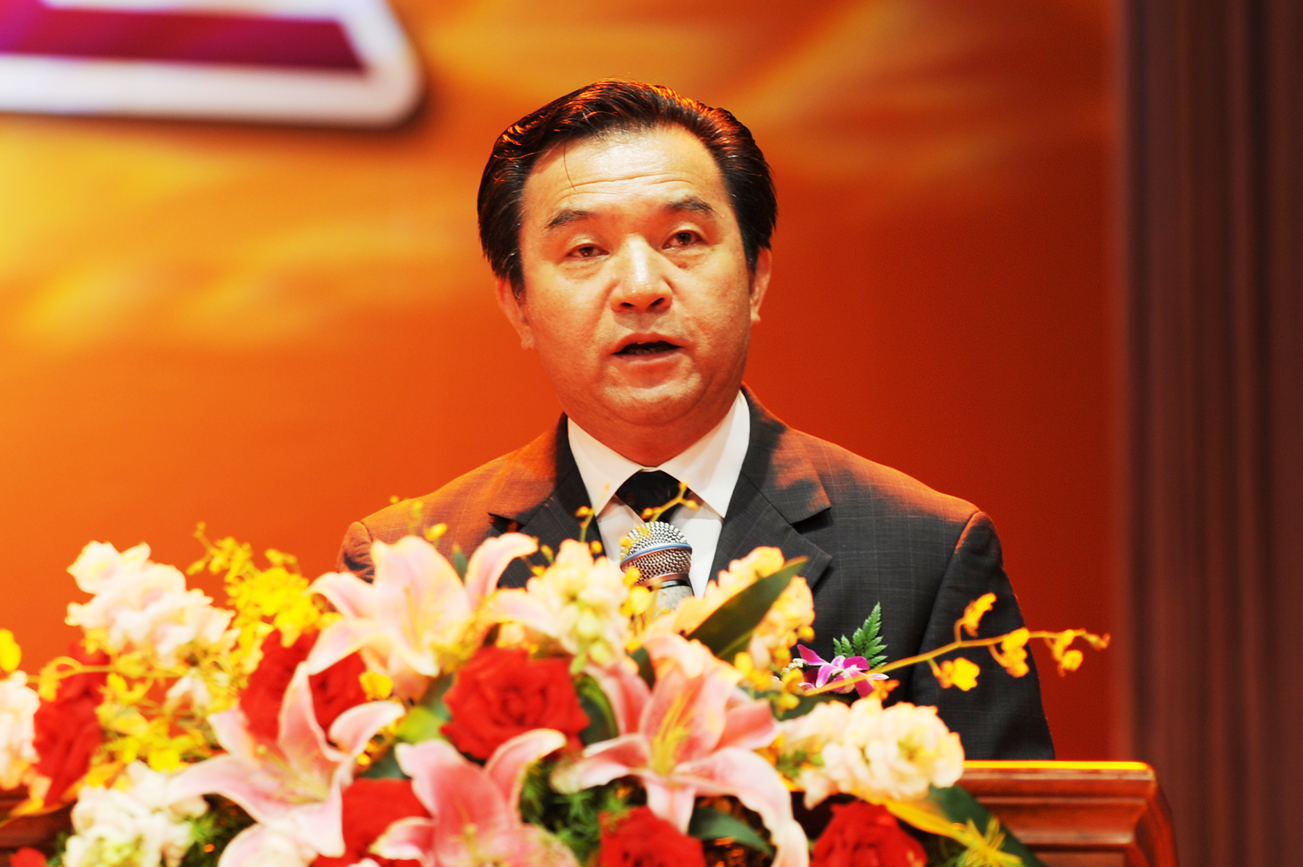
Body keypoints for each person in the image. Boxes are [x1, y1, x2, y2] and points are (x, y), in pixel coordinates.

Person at [338, 80, 1054, 759]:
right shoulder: (408, 571)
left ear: (756, 276)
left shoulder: (925, 552)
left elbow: (1001, 829)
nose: (641, 287)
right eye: (585, 250)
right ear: (517, 303)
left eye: (682, 238)